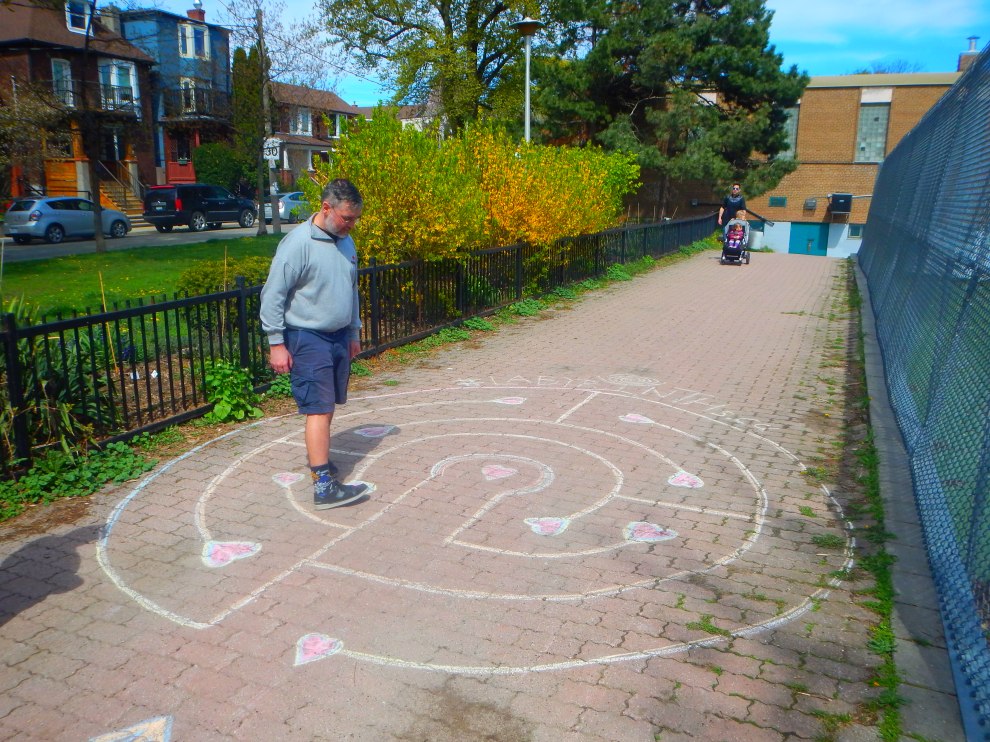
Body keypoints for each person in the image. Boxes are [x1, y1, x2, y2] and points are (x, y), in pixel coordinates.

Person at [260, 178, 369, 510]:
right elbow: (272, 295)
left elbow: (350, 291)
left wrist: (352, 333)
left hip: (337, 337)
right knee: (318, 408)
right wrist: (276, 343)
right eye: (347, 218)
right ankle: (323, 485)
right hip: (307, 338)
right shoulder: (298, 244)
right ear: (326, 208)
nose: (351, 226)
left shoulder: (345, 242)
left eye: (355, 219)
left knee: (328, 405)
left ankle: (319, 462)